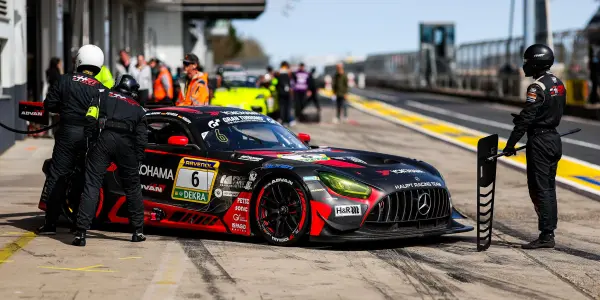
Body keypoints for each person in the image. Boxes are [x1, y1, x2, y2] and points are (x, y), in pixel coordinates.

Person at [36, 44, 108, 235]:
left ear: (79, 60)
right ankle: (78, 224)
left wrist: (64, 107)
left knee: (57, 177)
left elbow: (49, 104)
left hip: (66, 134)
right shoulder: (100, 89)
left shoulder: (64, 80)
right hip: (88, 137)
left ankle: (50, 224)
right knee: (83, 180)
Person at [72, 74, 148, 246]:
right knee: (133, 188)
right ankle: (138, 232)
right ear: (132, 91)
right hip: (126, 145)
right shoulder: (140, 109)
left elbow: (90, 118)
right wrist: (137, 160)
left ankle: (81, 233)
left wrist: (91, 142)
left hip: (104, 140)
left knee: (91, 185)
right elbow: (142, 139)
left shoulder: (101, 95)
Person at [503, 44, 566, 249]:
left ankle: (546, 236)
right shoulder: (558, 83)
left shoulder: (536, 87)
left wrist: (510, 145)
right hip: (554, 139)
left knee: (539, 189)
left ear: (536, 62)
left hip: (539, 142)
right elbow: (548, 111)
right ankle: (549, 231)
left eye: (527, 62)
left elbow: (527, 119)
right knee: (549, 187)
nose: (524, 65)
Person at [275, 61, 294, 126]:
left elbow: (276, 82)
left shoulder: (278, 72)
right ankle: (287, 120)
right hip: (287, 92)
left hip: (280, 92)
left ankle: (282, 119)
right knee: (287, 107)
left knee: (281, 107)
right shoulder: (289, 72)